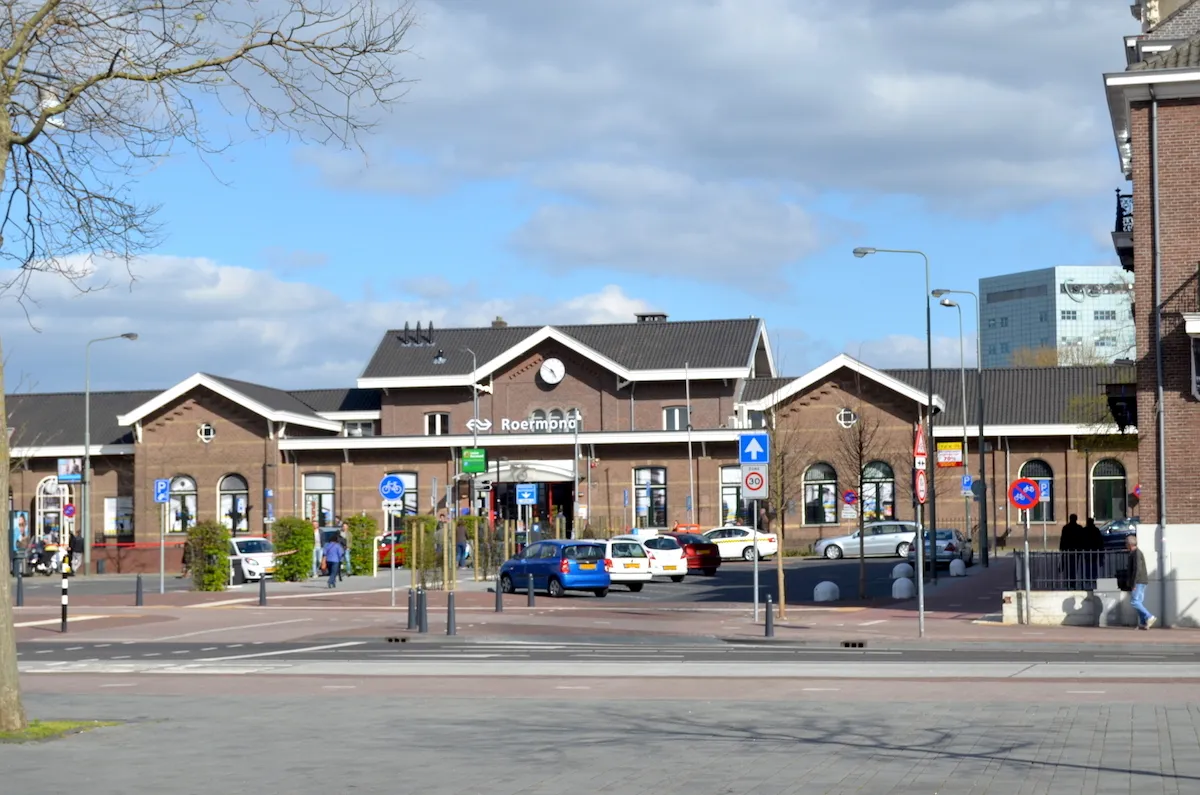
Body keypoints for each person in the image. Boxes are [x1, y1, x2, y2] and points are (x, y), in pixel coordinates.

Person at [1123, 534, 1155, 629]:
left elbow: (1137, 569)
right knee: (1138, 602)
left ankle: (1149, 616)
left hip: (1139, 581)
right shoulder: (1135, 553)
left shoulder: (1136, 553)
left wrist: (1133, 583)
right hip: (1141, 581)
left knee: (1134, 602)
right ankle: (1143, 622)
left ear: (1130, 544)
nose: (1125, 545)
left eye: (1126, 543)